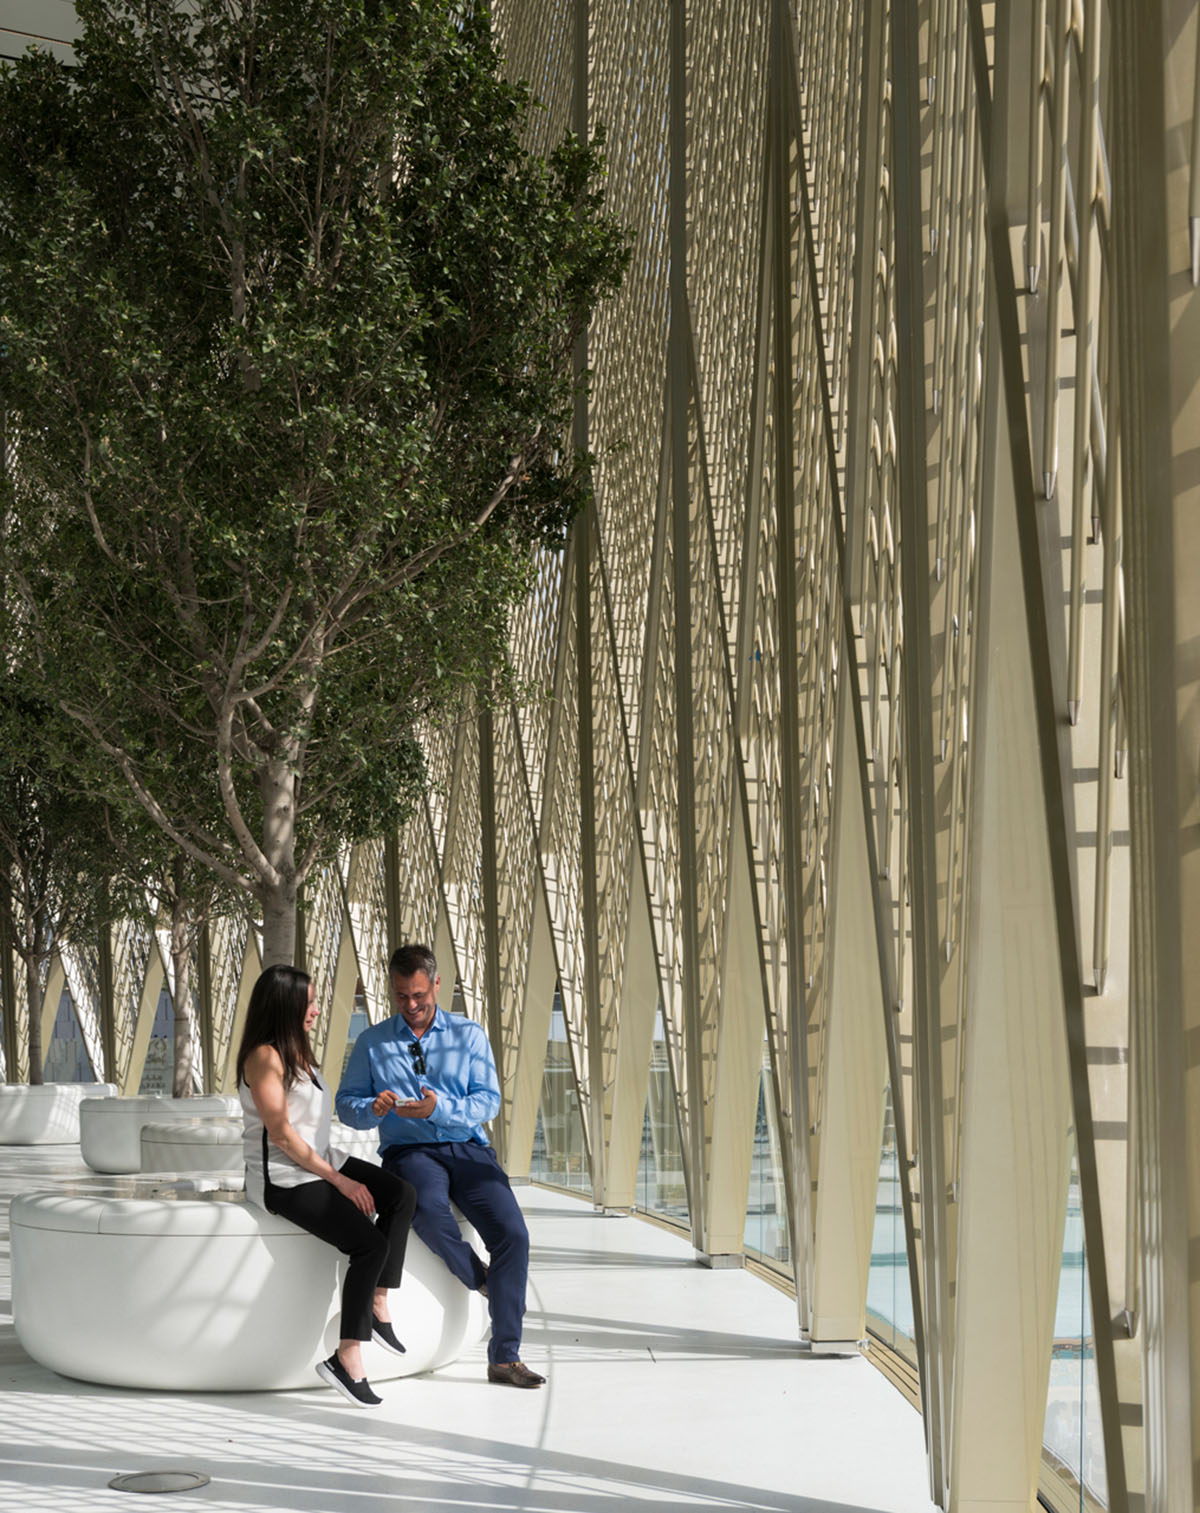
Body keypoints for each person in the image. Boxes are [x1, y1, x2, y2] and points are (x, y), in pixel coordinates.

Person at [336, 942, 545, 1388]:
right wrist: (373, 1108)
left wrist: (439, 1109)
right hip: (409, 1153)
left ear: (436, 985)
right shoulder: (373, 1042)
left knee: (513, 1234)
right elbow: (346, 1105)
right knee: (428, 1212)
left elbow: (488, 1101)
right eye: (401, 996)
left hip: (468, 1148)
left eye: (418, 995)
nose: (410, 1005)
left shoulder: (468, 1035)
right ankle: (481, 1278)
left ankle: (504, 1358)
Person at [237, 963, 417, 1409]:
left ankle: (377, 1301)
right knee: (370, 1245)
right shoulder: (264, 1058)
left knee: (401, 1195)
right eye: (310, 1002)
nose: (316, 1010)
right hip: (283, 1178)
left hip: (319, 1161)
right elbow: (281, 1135)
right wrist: (340, 1181)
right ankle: (346, 1358)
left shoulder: (296, 1052)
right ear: (285, 1005)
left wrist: (337, 1170)